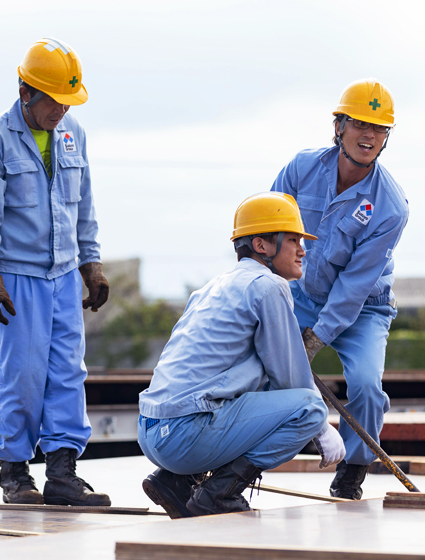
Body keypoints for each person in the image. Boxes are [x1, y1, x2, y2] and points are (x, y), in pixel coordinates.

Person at [138, 192, 345, 518]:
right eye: (293, 240)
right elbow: (290, 381)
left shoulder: (212, 287)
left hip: (151, 432)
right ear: (262, 245)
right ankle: (219, 494)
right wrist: (320, 427)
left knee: (252, 388)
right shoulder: (269, 287)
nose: (302, 250)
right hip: (185, 437)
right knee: (307, 409)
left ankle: (174, 482)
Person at [0, 38, 110, 506]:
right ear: (25, 91)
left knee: (68, 372)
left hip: (64, 277)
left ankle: (63, 472)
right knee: (24, 375)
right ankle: (15, 474)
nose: (61, 111)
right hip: (18, 279)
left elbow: (84, 208)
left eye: (68, 101)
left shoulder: (75, 136)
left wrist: (92, 265)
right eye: (53, 99)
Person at [271, 78, 409, 499]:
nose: (369, 135)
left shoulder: (390, 206)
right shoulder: (301, 168)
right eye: (360, 124)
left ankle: (353, 466)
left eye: (379, 128)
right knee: (253, 366)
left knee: (366, 385)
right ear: (338, 127)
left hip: (363, 308)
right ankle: (231, 464)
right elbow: (270, 232)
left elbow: (353, 286)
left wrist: (315, 338)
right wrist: (267, 299)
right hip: (301, 295)